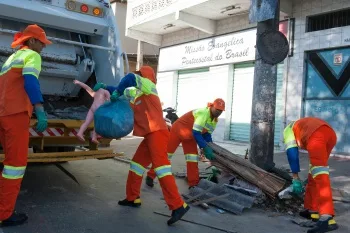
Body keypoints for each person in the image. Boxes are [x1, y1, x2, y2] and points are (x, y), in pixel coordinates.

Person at [93, 66, 189, 225]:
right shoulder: (137, 93)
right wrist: (105, 87)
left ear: (145, 76)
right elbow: (120, 91)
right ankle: (132, 198)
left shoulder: (149, 86)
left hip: (158, 133)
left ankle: (178, 205)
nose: (137, 78)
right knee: (136, 165)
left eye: (139, 75)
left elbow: (129, 78)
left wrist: (119, 89)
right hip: (149, 136)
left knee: (162, 170)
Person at [0, 24, 51, 226]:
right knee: (15, 166)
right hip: (16, 115)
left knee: (8, 166)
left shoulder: (11, 59)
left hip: (3, 113)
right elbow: (31, 82)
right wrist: (39, 110)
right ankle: (4, 214)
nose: (43, 47)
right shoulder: (32, 56)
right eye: (41, 43)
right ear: (31, 41)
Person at [145, 99, 225, 188]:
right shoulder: (204, 113)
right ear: (212, 107)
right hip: (177, 131)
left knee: (192, 159)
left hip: (190, 136)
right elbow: (196, 132)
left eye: (221, 111)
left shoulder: (214, 120)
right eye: (217, 109)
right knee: (166, 155)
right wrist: (204, 147)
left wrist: (210, 147)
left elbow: (207, 134)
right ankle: (151, 175)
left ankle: (193, 184)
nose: (218, 112)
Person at [283, 117, 338, 233]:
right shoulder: (301, 125)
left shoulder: (287, 130)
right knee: (315, 173)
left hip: (317, 135)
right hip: (330, 135)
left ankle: (327, 217)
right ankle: (313, 213)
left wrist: (295, 177)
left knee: (321, 176)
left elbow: (292, 154)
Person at [73, 79, 110, 144]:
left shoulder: (94, 93)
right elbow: (109, 101)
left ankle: (80, 133)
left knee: (86, 122)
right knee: (97, 124)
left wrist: (79, 82)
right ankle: (94, 137)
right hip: (99, 109)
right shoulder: (105, 91)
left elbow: (86, 87)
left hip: (92, 108)